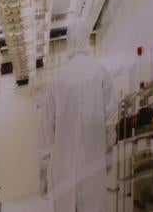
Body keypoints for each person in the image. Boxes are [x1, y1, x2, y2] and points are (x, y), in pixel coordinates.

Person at [39, 18, 118, 212]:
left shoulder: (57, 79)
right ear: (86, 38)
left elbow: (45, 129)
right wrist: (108, 155)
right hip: (93, 165)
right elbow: (111, 122)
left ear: (69, 41)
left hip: (63, 170)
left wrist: (42, 171)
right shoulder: (100, 72)